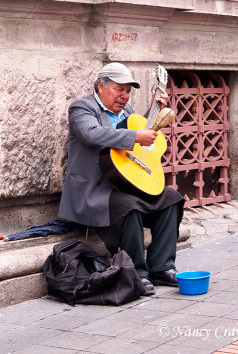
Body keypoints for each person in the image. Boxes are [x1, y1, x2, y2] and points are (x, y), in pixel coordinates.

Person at [58, 62, 184, 296]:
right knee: (129, 208)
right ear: (100, 86)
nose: (124, 96)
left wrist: (152, 112)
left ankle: (161, 266)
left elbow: (139, 133)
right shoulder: (81, 109)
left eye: (128, 91)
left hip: (125, 184)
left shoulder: (126, 112)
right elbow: (92, 134)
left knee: (171, 198)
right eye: (119, 89)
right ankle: (136, 273)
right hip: (95, 190)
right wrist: (137, 136)